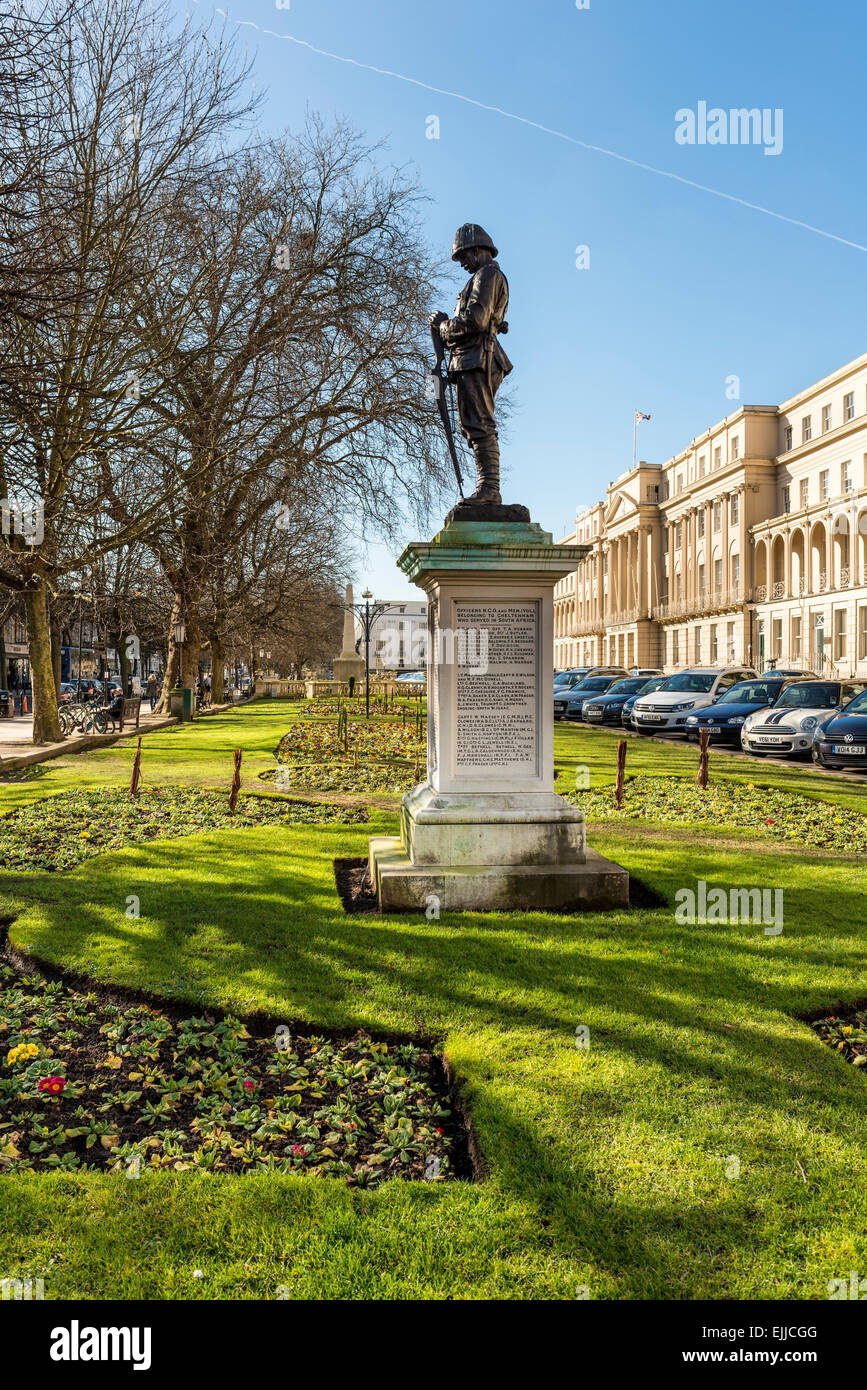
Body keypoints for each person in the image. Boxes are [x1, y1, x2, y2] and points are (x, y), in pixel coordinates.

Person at [430, 223, 513, 506]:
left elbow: (475, 320)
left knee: (479, 423)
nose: (462, 263)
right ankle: (487, 487)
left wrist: (443, 327)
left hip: (478, 358)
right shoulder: (482, 276)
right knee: (473, 424)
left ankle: (489, 489)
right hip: (470, 360)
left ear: (477, 250)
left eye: (464, 256)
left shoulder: (487, 274)